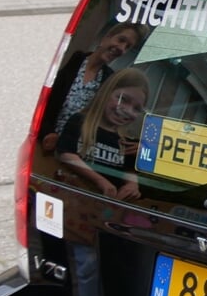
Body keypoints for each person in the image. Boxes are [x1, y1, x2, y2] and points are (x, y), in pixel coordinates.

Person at [40, 21, 143, 154]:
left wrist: (140, 145)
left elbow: (110, 122)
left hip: (73, 154)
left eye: (127, 47)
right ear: (107, 37)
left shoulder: (108, 80)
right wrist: (47, 133)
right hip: (41, 144)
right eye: (121, 40)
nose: (122, 48)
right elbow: (43, 99)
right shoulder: (73, 60)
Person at [58, 67, 150, 202]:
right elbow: (66, 154)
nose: (128, 110)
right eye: (123, 99)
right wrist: (100, 181)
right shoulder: (80, 122)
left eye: (137, 108)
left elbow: (129, 171)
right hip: (70, 198)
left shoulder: (127, 141)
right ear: (106, 93)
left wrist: (132, 185)